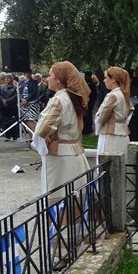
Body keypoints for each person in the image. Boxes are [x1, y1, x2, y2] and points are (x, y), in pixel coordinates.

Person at [34, 60, 91, 205]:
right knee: (75, 193)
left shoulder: (58, 100)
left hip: (60, 156)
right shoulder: (74, 98)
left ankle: (61, 219)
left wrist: (44, 137)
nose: (47, 78)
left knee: (60, 194)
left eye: (50, 75)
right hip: (76, 152)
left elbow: (42, 128)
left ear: (59, 79)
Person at [94, 66, 131, 164]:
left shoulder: (113, 95)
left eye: (106, 78)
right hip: (123, 133)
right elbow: (130, 111)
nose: (104, 80)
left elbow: (101, 117)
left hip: (111, 135)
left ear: (113, 79)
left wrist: (98, 125)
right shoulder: (124, 94)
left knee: (108, 165)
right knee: (121, 164)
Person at [0, 73, 19, 140]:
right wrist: (2, 100)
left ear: (11, 79)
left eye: (8, 78)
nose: (6, 80)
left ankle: (15, 135)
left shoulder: (16, 87)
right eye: (5, 78)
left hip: (12, 106)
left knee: (13, 121)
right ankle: (7, 135)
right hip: (4, 107)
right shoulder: (2, 87)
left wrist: (7, 101)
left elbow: (16, 96)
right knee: (5, 121)